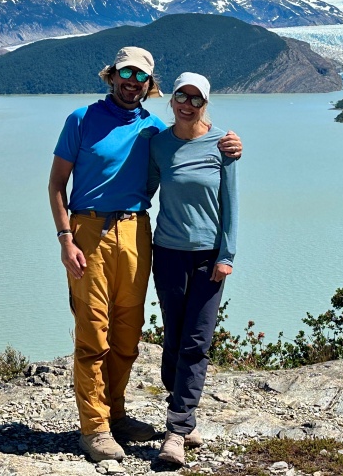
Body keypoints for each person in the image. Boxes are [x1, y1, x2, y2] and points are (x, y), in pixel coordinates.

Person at [48, 48, 241, 463]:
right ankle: (95, 427)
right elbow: (56, 186)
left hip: (137, 231)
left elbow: (191, 156)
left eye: (142, 76)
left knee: (127, 335)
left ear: (150, 85)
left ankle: (116, 415)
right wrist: (66, 237)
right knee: (93, 334)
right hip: (89, 230)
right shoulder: (81, 120)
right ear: (112, 75)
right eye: (126, 73)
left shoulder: (154, 132)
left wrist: (229, 144)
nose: (132, 81)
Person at [147, 72, 238, 466]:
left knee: (196, 342)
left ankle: (176, 429)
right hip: (167, 252)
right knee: (173, 340)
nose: (187, 104)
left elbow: (231, 203)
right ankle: (185, 414)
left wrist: (227, 255)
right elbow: (141, 189)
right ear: (172, 100)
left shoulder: (222, 145)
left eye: (195, 99)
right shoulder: (159, 144)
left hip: (207, 258)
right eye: (181, 96)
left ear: (205, 104)